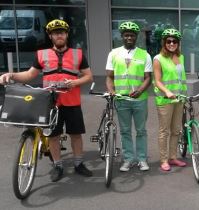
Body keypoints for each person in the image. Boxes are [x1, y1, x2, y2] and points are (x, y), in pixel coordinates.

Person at [0, 19, 94, 182]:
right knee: (53, 136)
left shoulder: (78, 54)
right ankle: (58, 165)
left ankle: (79, 164)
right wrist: (12, 75)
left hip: (72, 101)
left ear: (66, 35)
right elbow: (29, 75)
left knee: (76, 134)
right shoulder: (41, 54)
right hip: (50, 103)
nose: (59, 35)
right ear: (50, 36)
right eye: (56, 33)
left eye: (62, 32)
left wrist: (75, 82)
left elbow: (88, 76)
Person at [105, 21, 152, 172]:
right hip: (121, 99)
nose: (129, 37)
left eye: (132, 35)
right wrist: (111, 90)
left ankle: (142, 159)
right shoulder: (113, 53)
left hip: (139, 99)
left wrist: (140, 90)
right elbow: (109, 77)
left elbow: (148, 78)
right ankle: (128, 159)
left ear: (136, 36)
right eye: (126, 35)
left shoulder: (145, 55)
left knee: (141, 131)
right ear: (122, 36)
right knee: (125, 131)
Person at [153, 28, 188, 171]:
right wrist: (167, 92)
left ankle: (173, 157)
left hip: (179, 99)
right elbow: (157, 81)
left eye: (175, 41)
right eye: (169, 41)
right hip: (165, 100)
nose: (172, 43)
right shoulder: (158, 59)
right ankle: (163, 159)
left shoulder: (181, 57)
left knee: (176, 130)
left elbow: (181, 79)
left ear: (178, 43)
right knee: (164, 131)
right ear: (164, 42)